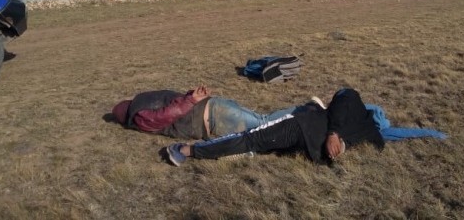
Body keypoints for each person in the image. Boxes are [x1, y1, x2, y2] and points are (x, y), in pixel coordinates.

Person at [162, 88, 445, 167]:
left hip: (303, 127)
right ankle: (193, 151)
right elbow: (404, 133)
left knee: (253, 136)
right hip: (309, 140)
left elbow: (346, 95)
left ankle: (188, 151)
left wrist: (334, 134)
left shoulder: (365, 122)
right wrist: (433, 134)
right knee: (257, 139)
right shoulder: (375, 136)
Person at [110, 85, 326, 140]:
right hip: (215, 107)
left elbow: (165, 116)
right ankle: (308, 113)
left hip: (214, 118)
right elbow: (171, 103)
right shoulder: (146, 98)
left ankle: (308, 109)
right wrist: (192, 97)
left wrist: (191, 99)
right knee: (262, 119)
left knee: (263, 122)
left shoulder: (139, 117)